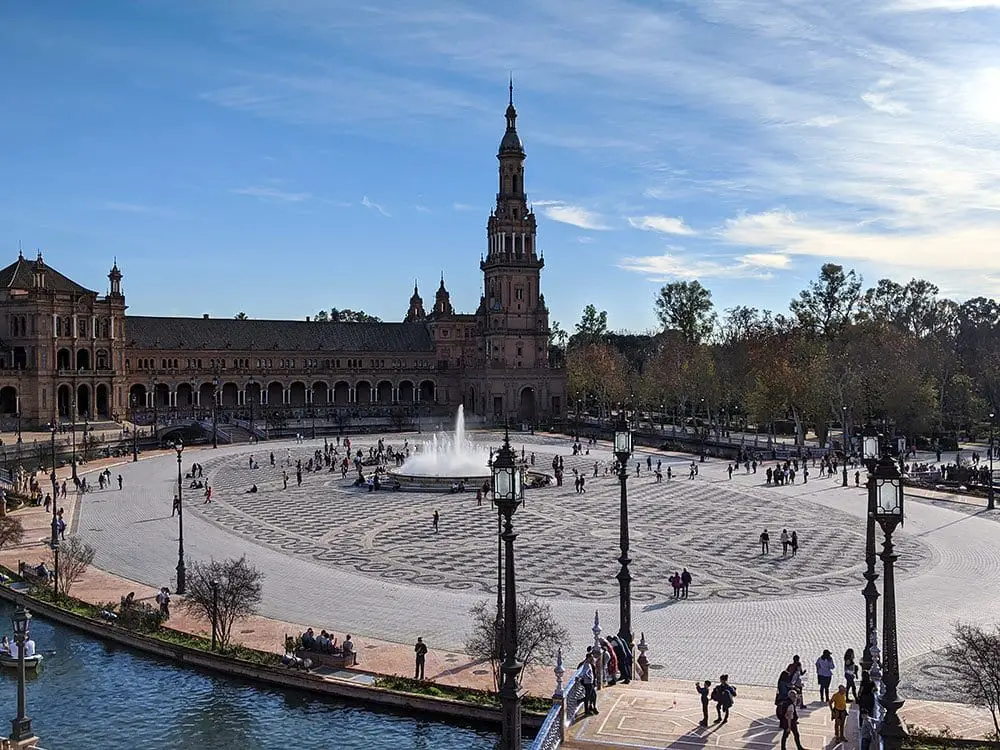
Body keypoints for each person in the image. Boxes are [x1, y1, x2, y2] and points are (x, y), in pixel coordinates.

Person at [580, 650, 598, 715]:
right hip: (588, 683)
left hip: (590, 682)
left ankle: (592, 706)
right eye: (591, 658)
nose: (592, 659)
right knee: (588, 696)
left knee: (593, 695)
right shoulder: (586, 665)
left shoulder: (591, 664)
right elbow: (584, 672)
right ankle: (587, 710)